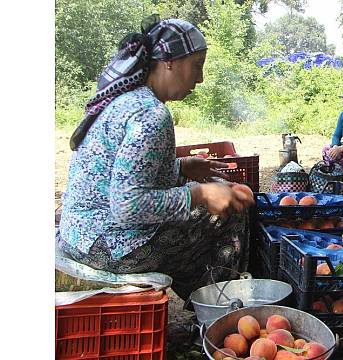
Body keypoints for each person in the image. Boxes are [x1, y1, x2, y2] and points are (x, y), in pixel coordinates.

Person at [57, 16, 255, 300]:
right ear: (170, 62)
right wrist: (198, 194)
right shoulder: (152, 114)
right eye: (196, 67)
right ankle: (217, 306)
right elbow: (128, 205)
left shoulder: (128, 99)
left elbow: (129, 171)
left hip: (81, 234)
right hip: (108, 247)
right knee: (231, 213)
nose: (199, 78)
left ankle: (203, 293)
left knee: (213, 196)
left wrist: (183, 167)